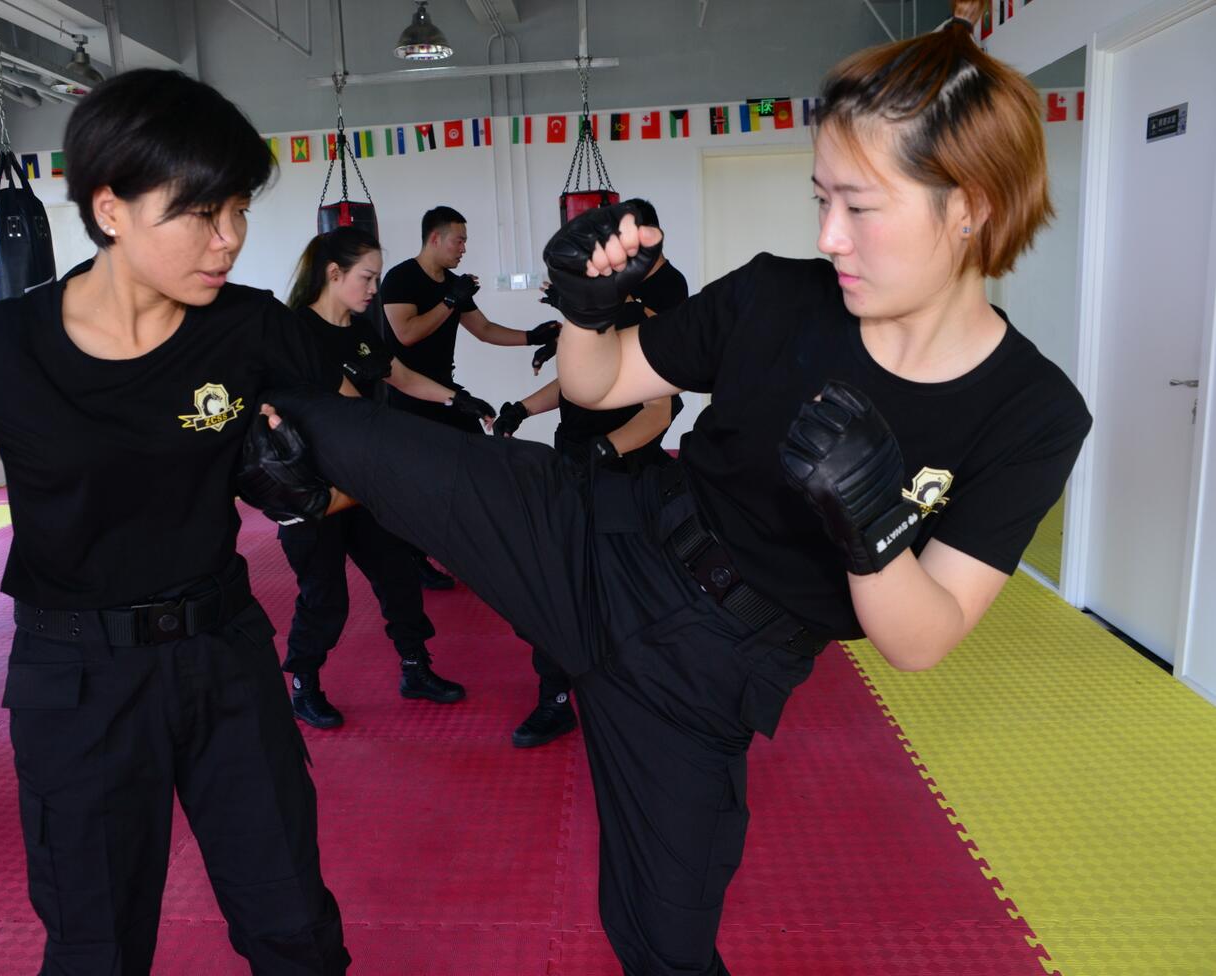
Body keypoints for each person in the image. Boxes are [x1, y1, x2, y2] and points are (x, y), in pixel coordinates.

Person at [262, 5, 1092, 973]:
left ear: (971, 205)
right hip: (602, 533)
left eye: (860, 206)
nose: (829, 235)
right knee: (333, 430)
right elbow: (602, 383)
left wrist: (871, 524)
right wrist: (585, 310)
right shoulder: (778, 293)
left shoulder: (1030, 412)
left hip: (709, 672)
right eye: (820, 198)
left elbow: (922, 639)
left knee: (665, 945)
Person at [0, 69, 351, 974]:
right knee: (96, 948)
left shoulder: (251, 329)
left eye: (239, 208)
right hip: (76, 676)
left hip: (226, 656)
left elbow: (367, 458)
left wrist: (311, 491)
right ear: (110, 208)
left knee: (295, 930)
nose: (230, 238)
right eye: (201, 212)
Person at [278, 226, 496, 727]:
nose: (375, 289)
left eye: (377, 278)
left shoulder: (358, 327)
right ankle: (304, 683)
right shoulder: (295, 333)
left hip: (362, 484)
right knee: (324, 598)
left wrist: (456, 398)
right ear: (333, 274)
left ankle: (415, 668)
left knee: (398, 575)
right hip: (315, 491)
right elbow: (354, 412)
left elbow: (398, 375)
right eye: (367, 277)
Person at [493, 200, 690, 748]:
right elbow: (575, 381)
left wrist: (605, 450)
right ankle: (555, 699)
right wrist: (521, 409)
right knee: (558, 580)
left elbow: (658, 412)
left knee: (629, 590)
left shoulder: (652, 316)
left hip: (625, 472)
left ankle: (643, 697)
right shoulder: (592, 314)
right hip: (575, 463)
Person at [379, 205, 559, 588]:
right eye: (458, 240)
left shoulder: (452, 283)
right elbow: (406, 334)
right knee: (417, 480)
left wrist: (532, 337)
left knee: (480, 461)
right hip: (406, 393)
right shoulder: (400, 279)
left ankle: (478, 548)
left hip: (446, 390)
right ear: (435, 238)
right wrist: (449, 301)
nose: (464, 248)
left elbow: (485, 330)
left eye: (465, 241)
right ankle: (413, 557)